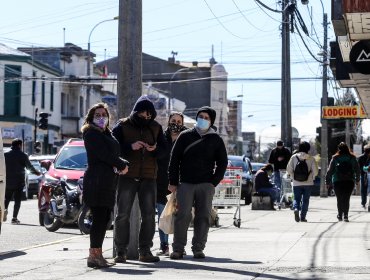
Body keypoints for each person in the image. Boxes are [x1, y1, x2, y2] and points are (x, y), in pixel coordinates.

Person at [168, 106, 228, 260]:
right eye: (201, 116)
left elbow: (222, 163)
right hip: (185, 183)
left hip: (206, 184)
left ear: (211, 121)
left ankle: (198, 248)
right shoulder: (185, 136)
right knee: (182, 216)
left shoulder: (216, 139)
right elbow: (174, 159)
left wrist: (213, 182)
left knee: (203, 216)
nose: (203, 119)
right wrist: (173, 181)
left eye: (206, 117)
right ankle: (178, 249)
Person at [113, 95, 166, 263]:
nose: (146, 116)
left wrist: (154, 149)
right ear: (136, 111)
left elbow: (165, 151)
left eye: (149, 114)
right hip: (127, 176)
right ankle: (121, 252)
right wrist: (130, 147)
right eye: (143, 113)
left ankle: (145, 251)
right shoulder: (122, 126)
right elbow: (112, 148)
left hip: (149, 177)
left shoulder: (156, 128)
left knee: (149, 215)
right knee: (122, 215)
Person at [81, 102, 129, 268]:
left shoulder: (107, 133)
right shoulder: (91, 134)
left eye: (104, 115)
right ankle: (94, 256)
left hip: (107, 181)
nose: (102, 118)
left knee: (104, 218)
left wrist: (122, 163)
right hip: (96, 181)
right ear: (91, 118)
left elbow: (114, 153)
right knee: (100, 219)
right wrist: (121, 164)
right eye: (98, 115)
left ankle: (97, 254)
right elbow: (104, 155)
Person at [156, 112, 187, 256]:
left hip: (182, 182)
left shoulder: (186, 137)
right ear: (169, 122)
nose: (176, 123)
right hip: (162, 182)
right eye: (173, 120)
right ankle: (164, 245)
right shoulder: (161, 137)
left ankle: (179, 245)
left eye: (179, 121)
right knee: (163, 215)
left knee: (180, 216)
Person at [4, 138, 41, 225]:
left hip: (7, 181)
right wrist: (37, 173)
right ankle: (14, 218)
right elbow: (29, 167)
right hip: (19, 182)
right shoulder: (23, 155)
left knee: (6, 199)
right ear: (20, 145)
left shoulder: (5, 155)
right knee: (17, 200)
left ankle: (3, 213)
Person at [325, 142, 360, 222]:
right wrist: (357, 180)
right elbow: (357, 170)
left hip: (337, 181)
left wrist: (327, 182)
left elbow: (330, 171)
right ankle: (346, 216)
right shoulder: (352, 158)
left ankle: (340, 215)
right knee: (346, 198)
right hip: (349, 181)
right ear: (347, 148)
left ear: (339, 149)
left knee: (339, 198)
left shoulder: (335, 158)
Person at [286, 141, 318, 222]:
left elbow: (289, 169)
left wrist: (293, 176)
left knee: (296, 199)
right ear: (308, 149)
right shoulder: (311, 158)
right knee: (306, 200)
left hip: (296, 183)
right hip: (308, 183)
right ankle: (303, 217)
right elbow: (316, 172)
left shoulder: (294, 157)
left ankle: (296, 208)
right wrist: (312, 177)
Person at [357, 144, 370, 208]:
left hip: (363, 175)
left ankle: (363, 202)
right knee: (364, 189)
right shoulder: (361, 157)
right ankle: (364, 202)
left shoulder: (360, 157)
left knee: (363, 189)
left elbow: (359, 168)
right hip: (365, 175)